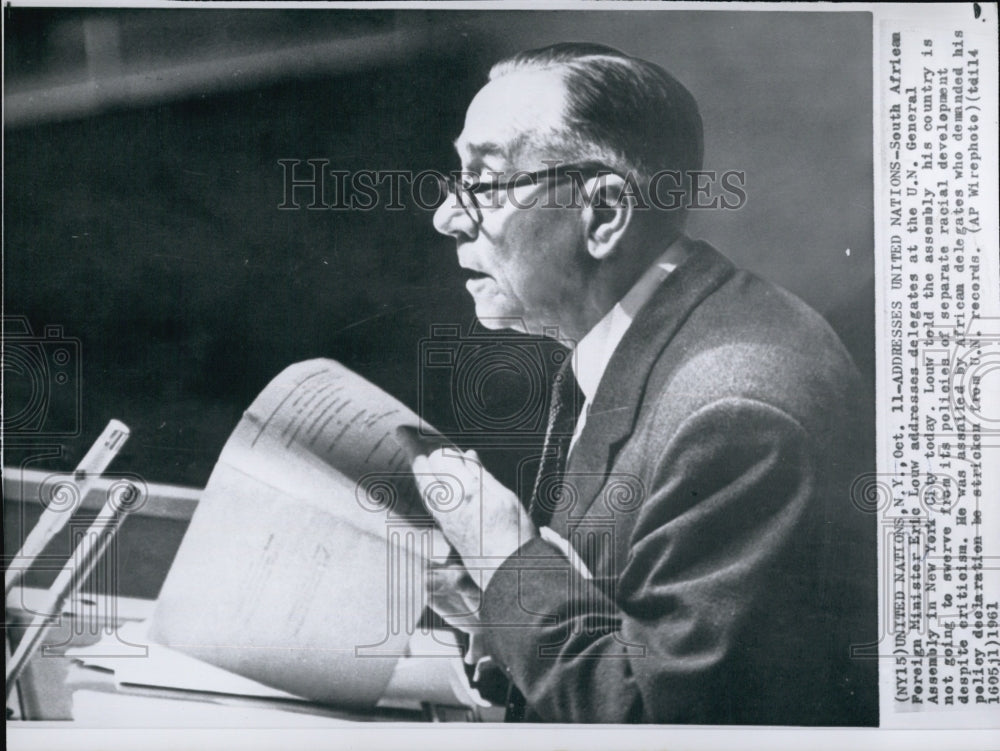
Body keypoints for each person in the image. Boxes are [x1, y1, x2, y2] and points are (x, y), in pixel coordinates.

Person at [410, 42, 878, 725]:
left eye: (483, 181)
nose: (447, 216)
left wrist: (507, 558)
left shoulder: (737, 412)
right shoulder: (663, 331)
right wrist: (499, 605)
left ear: (604, 213)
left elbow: (657, 724)